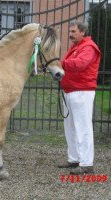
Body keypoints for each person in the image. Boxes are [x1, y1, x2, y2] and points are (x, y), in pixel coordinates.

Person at [58, 21, 101, 175]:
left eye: (74, 31)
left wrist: (60, 63)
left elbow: (81, 64)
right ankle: (74, 159)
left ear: (83, 32)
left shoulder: (89, 47)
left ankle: (86, 163)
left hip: (82, 91)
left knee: (83, 128)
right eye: (70, 31)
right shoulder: (76, 47)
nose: (71, 34)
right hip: (71, 91)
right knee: (70, 127)